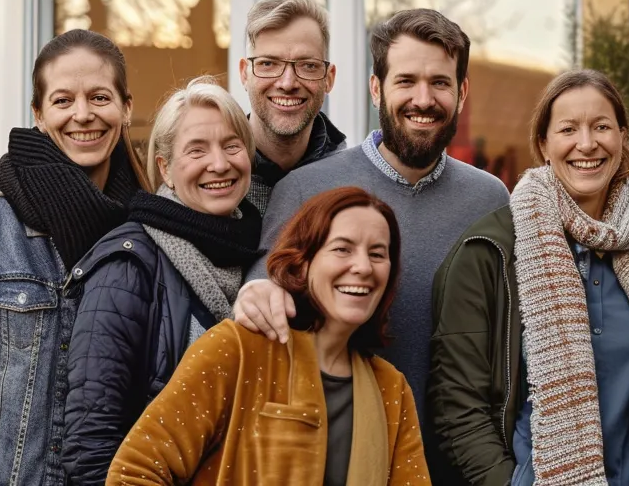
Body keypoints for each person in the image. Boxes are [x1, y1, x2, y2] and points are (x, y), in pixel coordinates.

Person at [235, 8, 510, 482]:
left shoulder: (491, 199)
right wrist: (256, 291)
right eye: (406, 81)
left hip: (465, 468)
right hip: (340, 460)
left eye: (440, 83)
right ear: (376, 88)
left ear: (461, 93)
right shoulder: (306, 190)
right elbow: (265, 291)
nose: (423, 99)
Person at [0, 29, 149, 486]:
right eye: (62, 100)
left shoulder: (145, 239)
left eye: (99, 97)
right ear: (38, 115)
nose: (83, 114)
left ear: (126, 108)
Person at [432, 70, 629, 486]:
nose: (586, 144)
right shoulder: (491, 251)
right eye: (568, 129)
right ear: (543, 145)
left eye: (602, 127)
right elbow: (458, 409)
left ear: (622, 137)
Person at [107, 187, 428, 485]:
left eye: (377, 253)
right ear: (303, 262)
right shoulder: (236, 349)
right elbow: (134, 472)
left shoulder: (391, 390)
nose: (363, 267)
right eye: (342, 248)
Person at [60, 76, 264, 484]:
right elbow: (90, 442)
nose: (219, 164)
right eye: (197, 150)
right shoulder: (130, 264)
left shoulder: (256, 259)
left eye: (231, 145)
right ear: (165, 168)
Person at [240, 0, 349, 212]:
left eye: (307, 65)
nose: (288, 83)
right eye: (268, 64)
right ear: (245, 74)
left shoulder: (354, 184)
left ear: (329, 78)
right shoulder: (211, 181)